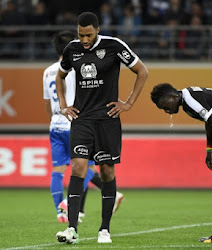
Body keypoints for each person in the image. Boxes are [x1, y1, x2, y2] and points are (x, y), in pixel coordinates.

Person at [55, 12, 149, 244]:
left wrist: (128, 103)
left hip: (108, 119)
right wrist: (63, 105)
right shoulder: (71, 49)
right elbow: (60, 75)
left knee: (107, 171)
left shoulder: (114, 45)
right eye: (80, 35)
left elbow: (142, 71)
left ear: (97, 30)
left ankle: (104, 229)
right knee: (78, 167)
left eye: (88, 35)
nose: (84, 40)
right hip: (82, 119)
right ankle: (72, 229)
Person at [43, 31, 124, 224]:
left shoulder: (47, 72)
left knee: (58, 169)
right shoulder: (75, 67)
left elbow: (47, 102)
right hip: (77, 120)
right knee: (85, 167)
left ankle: (61, 211)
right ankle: (69, 204)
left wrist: (57, 115)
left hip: (55, 123)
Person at [150, 83, 212, 243]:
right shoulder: (188, 100)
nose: (167, 111)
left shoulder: (190, 100)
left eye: (165, 106)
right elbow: (210, 122)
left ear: (173, 97)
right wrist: (209, 149)